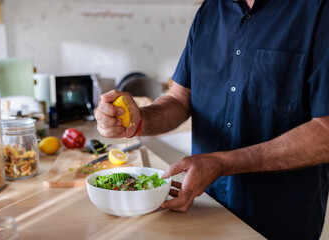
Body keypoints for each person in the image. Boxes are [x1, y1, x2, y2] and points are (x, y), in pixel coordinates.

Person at [94, 0, 329, 239]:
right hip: (205, 209)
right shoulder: (209, 11)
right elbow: (179, 98)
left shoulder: (319, 9)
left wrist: (221, 163)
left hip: (279, 220)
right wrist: (140, 118)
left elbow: (325, 133)